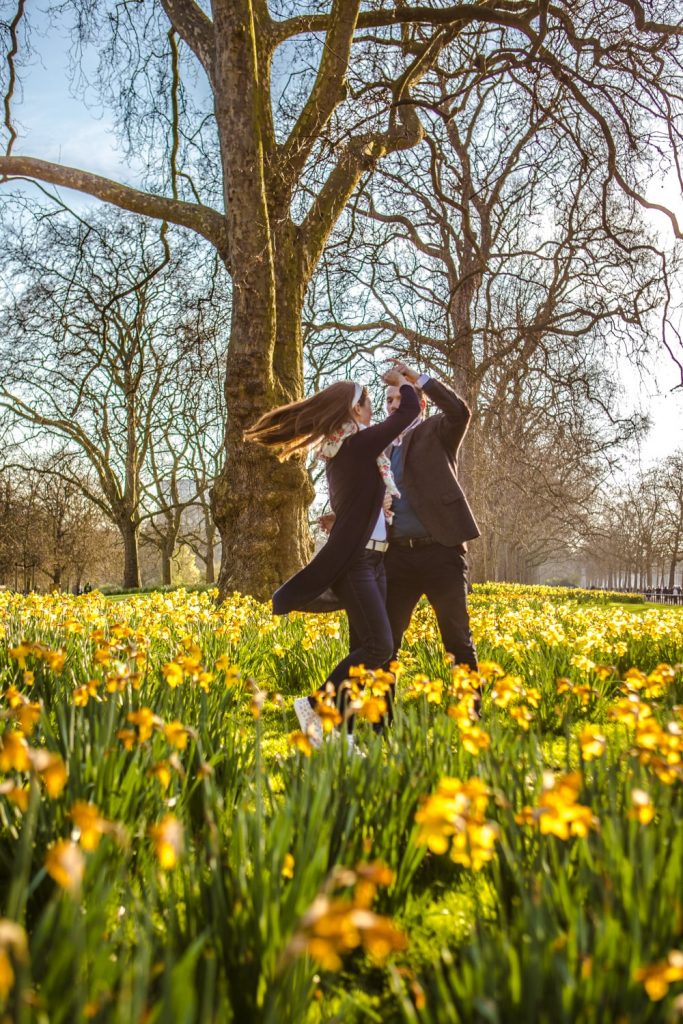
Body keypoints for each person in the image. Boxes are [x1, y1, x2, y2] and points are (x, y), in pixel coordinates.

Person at [244, 371, 420, 750]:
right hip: (358, 564)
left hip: (375, 562)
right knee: (379, 647)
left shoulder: (353, 450)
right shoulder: (354, 445)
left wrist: (377, 505)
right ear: (355, 409)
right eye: (370, 406)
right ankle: (314, 707)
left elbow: (357, 503)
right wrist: (405, 380)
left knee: (365, 654)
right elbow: (408, 413)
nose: (374, 413)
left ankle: (344, 735)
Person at [382, 361, 481, 718]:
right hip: (398, 558)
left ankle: (471, 716)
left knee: (456, 639)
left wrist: (414, 379)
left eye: (400, 400)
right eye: (388, 402)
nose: (394, 407)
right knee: (386, 643)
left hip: (441, 552)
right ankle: (382, 723)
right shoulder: (384, 450)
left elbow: (460, 410)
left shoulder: (438, 430)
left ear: (418, 404)